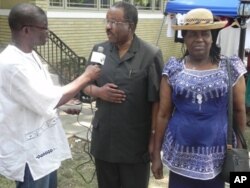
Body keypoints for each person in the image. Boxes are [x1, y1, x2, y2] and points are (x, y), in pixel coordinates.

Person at [0, 3, 100, 188]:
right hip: (29, 155)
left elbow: (37, 95)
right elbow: (46, 99)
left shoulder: (30, 55)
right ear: (27, 30)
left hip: (43, 147)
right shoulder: (12, 64)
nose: (48, 32)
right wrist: (86, 76)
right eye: (44, 27)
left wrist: (61, 105)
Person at [151, 8, 247, 188]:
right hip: (179, 155)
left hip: (218, 158)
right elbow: (163, 114)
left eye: (205, 34)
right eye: (192, 34)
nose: (199, 39)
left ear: (212, 37)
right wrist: (156, 155)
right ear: (184, 38)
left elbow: (240, 112)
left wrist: (239, 159)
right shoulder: (173, 69)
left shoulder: (231, 68)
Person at [83, 1, 164, 188]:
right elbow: (85, 85)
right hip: (104, 141)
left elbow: (157, 102)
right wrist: (99, 92)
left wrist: (153, 140)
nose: (108, 27)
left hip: (134, 145)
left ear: (131, 26)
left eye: (114, 22)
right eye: (107, 21)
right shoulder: (100, 50)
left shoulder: (150, 55)